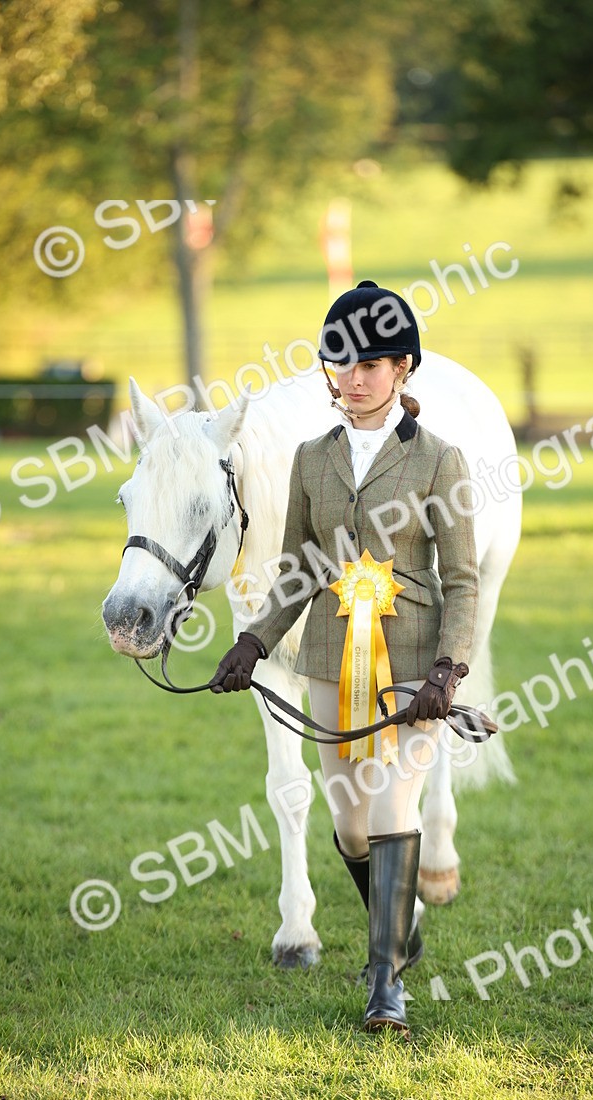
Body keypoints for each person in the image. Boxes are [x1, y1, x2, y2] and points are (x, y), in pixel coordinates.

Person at [210, 280, 479, 1036]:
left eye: (371, 364)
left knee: (394, 806)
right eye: (341, 363)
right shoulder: (310, 460)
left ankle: (385, 982)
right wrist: (254, 640)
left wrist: (447, 671)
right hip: (329, 657)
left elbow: (462, 580)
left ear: (402, 371)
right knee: (351, 826)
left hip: (413, 663)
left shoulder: (439, 460)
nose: (353, 378)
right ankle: (401, 931)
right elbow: (296, 570)